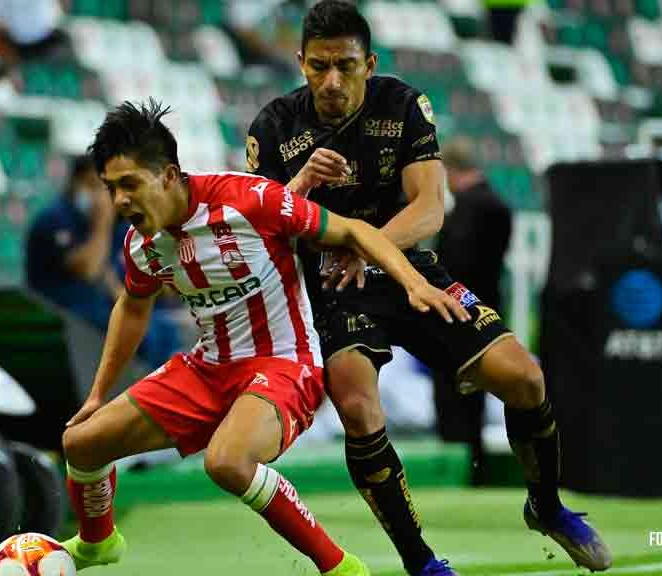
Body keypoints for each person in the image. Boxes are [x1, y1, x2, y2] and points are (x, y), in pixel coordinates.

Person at [245, 2, 611, 574]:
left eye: (345, 65)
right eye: (318, 66)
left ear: (369, 62)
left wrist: (367, 247)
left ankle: (547, 506)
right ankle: (421, 563)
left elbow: (430, 208)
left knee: (524, 376)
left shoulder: (404, 104)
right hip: (330, 288)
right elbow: (257, 232)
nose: (332, 81)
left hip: (408, 270)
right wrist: (299, 183)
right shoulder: (272, 127)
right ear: (300, 62)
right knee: (360, 408)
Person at [58, 99, 470, 576]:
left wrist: (415, 283)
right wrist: (96, 395)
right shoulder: (141, 243)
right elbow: (132, 307)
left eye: (130, 184)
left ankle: (341, 568)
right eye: (111, 189)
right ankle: (97, 545)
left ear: (169, 174)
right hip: (207, 368)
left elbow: (354, 231)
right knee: (80, 443)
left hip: (283, 364)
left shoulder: (250, 200)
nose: (120, 201)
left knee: (227, 462)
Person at [25, 154, 179, 366]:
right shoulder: (55, 218)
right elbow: (88, 269)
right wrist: (102, 223)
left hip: (99, 308)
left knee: (164, 329)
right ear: (75, 183)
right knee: (139, 332)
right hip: (62, 313)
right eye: (94, 186)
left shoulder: (119, 226)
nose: (103, 196)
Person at [433, 137, 513, 486]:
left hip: (458, 314)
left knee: (453, 396)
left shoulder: (466, 210)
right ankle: (474, 462)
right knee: (476, 394)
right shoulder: (499, 205)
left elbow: (454, 267)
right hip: (488, 311)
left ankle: (460, 468)